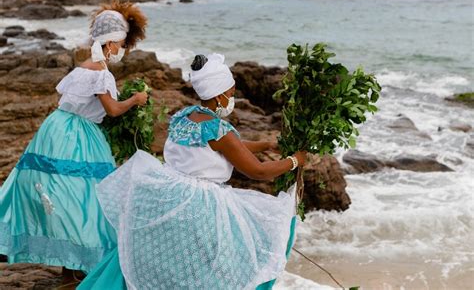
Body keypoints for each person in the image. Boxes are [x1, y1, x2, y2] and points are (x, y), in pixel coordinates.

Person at [79, 53, 306, 289]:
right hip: (199, 205)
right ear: (219, 96)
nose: (232, 97)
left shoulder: (184, 117)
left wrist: (265, 144)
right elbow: (257, 172)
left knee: (164, 258)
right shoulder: (219, 129)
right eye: (231, 92)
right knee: (218, 263)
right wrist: (295, 161)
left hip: (170, 193)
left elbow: (225, 148)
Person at [0, 0, 148, 285]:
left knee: (64, 196)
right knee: (86, 198)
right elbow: (112, 110)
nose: (123, 50)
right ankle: (76, 265)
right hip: (78, 136)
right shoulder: (101, 73)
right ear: (110, 43)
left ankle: (71, 266)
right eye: (121, 44)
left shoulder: (84, 66)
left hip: (56, 129)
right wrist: (136, 100)